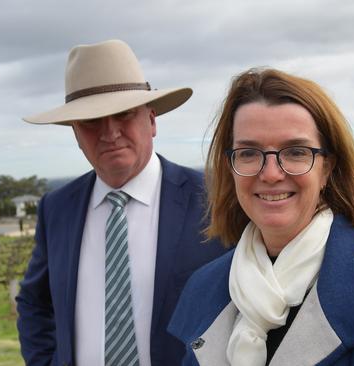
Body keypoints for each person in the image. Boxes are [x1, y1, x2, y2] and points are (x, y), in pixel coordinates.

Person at [168, 68, 354, 365]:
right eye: (249, 153)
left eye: (296, 152)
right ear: (230, 167)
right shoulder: (203, 286)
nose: (271, 174)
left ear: (326, 168)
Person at [16, 40, 227, 366]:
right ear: (75, 133)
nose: (109, 132)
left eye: (124, 114)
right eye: (91, 121)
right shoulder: (56, 208)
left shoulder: (215, 199)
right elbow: (35, 302)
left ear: (152, 120)